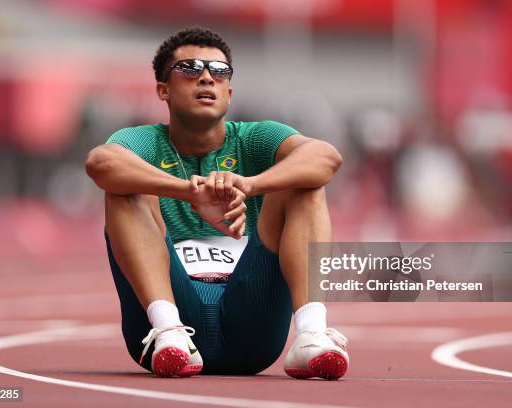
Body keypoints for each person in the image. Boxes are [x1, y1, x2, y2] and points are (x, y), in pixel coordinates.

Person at [85, 26, 349, 379]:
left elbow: (326, 157)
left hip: (252, 323)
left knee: (305, 181)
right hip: (172, 319)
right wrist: (187, 191)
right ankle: (167, 328)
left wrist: (251, 186)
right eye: (191, 69)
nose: (207, 78)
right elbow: (101, 164)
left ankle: (311, 335)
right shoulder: (144, 141)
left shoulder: (255, 138)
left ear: (229, 91)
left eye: (219, 71)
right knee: (123, 184)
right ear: (163, 89)